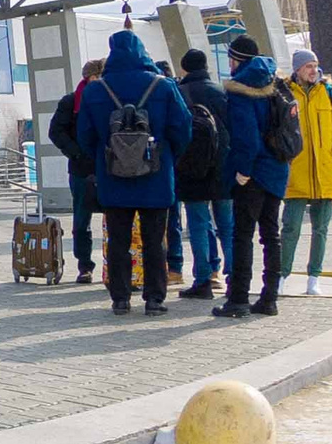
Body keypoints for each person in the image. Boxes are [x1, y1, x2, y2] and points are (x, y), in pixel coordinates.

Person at [75, 30, 192, 317]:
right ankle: (154, 299)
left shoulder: (95, 90)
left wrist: (105, 159)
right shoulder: (163, 87)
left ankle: (120, 298)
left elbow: (85, 136)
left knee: (118, 241)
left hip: (113, 177)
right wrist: (165, 155)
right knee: (154, 241)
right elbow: (184, 127)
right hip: (156, 176)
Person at [221, 35, 291, 316]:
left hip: (253, 174)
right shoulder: (278, 83)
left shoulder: (240, 89)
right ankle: (269, 298)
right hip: (278, 167)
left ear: (236, 59)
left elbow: (247, 138)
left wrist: (243, 172)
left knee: (242, 235)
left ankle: (238, 298)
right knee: (271, 235)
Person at [174, 48, 236, 301]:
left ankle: (203, 281)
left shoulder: (179, 93)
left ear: (184, 68)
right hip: (223, 168)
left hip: (192, 170)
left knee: (198, 225)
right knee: (228, 227)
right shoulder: (221, 91)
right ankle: (235, 277)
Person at [279, 48, 332, 298]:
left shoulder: (329, 93)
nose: (313, 70)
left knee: (321, 229)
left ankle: (314, 277)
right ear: (297, 69)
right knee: (290, 227)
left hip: (325, 174)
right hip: (296, 174)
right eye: (308, 66)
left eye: (315, 65)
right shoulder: (284, 94)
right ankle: (282, 275)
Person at [45, 59, 105, 285]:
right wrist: (76, 153)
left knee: (117, 217)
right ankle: (85, 266)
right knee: (82, 220)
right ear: (90, 77)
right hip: (81, 170)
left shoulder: (109, 98)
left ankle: (116, 265)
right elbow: (56, 131)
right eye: (98, 76)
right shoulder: (71, 102)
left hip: (109, 167)